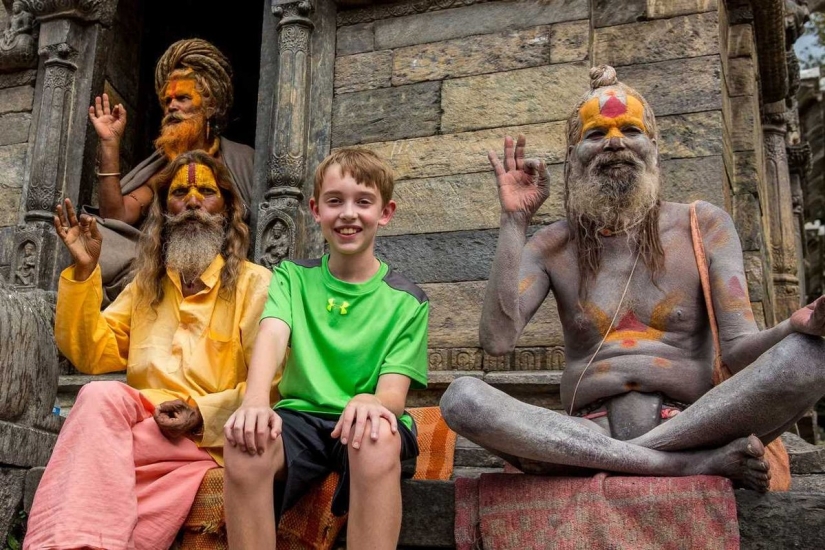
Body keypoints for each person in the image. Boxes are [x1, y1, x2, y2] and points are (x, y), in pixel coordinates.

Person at [440, 65, 825, 492]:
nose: (615, 142)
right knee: (463, 399)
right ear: (573, 156)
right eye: (596, 134)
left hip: (693, 423)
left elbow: (738, 351)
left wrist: (795, 326)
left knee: (811, 356)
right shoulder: (552, 246)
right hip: (587, 431)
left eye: (630, 130)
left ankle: (636, 458)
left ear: (653, 148)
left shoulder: (703, 225)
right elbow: (497, 341)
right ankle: (688, 467)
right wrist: (514, 221)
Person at [24, 151, 272, 550]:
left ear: (227, 209)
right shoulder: (147, 285)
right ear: (165, 210)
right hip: (142, 418)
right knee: (98, 396)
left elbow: (272, 388)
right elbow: (92, 354)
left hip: (204, 436)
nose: (192, 202)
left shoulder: (255, 285)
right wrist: (85, 270)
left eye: (206, 191)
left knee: (94, 451)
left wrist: (199, 413)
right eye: (180, 193)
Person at [222, 148, 429, 549]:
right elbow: (273, 335)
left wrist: (371, 401)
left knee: (375, 436)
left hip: (366, 418)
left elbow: (393, 397)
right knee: (245, 443)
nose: (348, 214)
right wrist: (255, 401)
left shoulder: (407, 301)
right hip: (300, 417)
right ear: (316, 210)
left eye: (363, 202)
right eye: (335, 201)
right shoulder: (292, 278)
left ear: (385, 213)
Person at [88, 38, 254, 301]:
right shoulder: (163, 169)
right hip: (170, 277)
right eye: (167, 101)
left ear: (210, 106)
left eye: (182, 98)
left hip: (233, 276)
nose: (172, 107)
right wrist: (110, 144)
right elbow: (116, 216)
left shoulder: (244, 161)